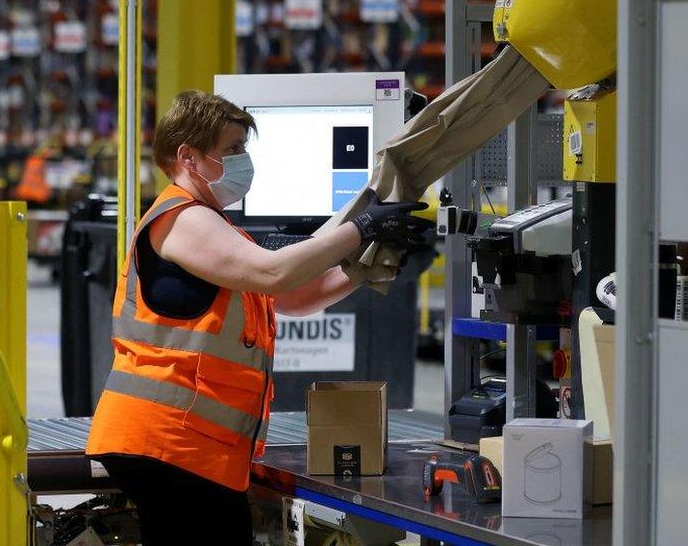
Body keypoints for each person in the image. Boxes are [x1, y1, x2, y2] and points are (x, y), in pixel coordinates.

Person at [85, 90, 432, 545]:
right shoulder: (182, 219)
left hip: (188, 445)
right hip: (169, 441)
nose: (242, 161)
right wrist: (362, 230)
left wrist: (365, 270)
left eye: (243, 149)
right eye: (231, 149)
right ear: (188, 156)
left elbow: (294, 296)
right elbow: (274, 272)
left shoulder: (214, 226)